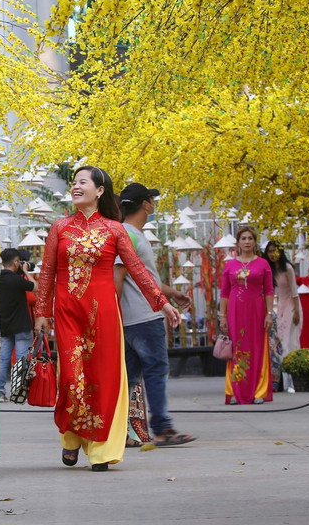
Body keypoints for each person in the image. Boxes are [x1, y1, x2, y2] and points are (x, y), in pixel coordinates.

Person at [34, 166, 175, 472]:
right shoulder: (60, 227)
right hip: (68, 312)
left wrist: (162, 303)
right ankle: (72, 438)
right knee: (73, 377)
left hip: (104, 314)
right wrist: (42, 312)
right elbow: (46, 273)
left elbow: (137, 270)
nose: (75, 186)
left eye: (82, 182)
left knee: (104, 379)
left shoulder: (114, 229)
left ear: (99, 191)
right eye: (74, 182)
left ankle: (101, 451)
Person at [114, 183, 195, 447]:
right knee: (156, 371)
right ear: (145, 204)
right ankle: (162, 428)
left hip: (132, 318)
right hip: (143, 318)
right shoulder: (127, 234)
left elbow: (145, 277)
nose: (154, 204)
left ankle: (123, 432)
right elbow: (119, 277)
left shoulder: (132, 234)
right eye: (151, 200)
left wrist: (171, 293)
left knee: (129, 377)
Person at [219, 227, 275, 405]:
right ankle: (234, 391)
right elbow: (224, 293)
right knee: (236, 348)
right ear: (238, 242)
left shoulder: (263, 264)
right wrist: (222, 316)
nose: (247, 241)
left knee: (257, 347)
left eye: (250, 238)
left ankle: (259, 390)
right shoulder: (230, 265)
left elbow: (268, 290)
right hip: (235, 311)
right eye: (243, 238)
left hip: (257, 311)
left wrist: (269, 313)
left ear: (255, 241)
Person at [0, 248, 36, 402]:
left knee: (4, 360)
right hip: (22, 327)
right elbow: (35, 287)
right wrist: (26, 272)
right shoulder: (17, 280)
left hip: (6, 327)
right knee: (21, 360)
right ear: (16, 263)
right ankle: (18, 393)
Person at [265, 241, 302, 393]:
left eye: (275, 251)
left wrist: (297, 312)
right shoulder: (272, 270)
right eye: (270, 252)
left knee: (290, 343)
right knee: (281, 344)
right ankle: (284, 381)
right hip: (280, 307)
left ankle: (293, 382)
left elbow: (294, 292)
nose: (273, 254)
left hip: (293, 307)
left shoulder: (288, 269)